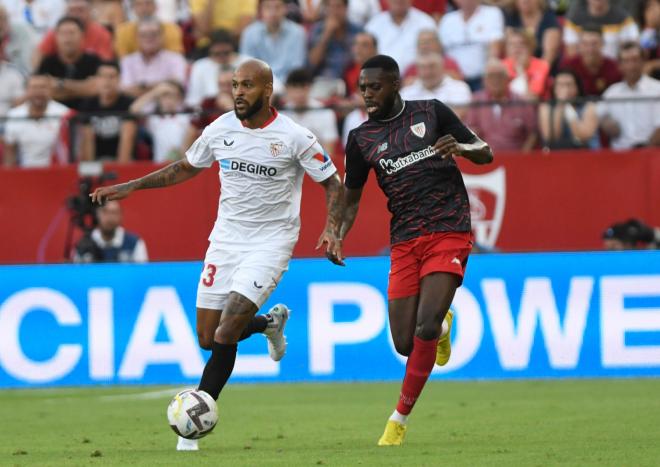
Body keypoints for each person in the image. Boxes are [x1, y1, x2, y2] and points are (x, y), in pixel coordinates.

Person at [90, 59, 344, 451]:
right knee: (209, 338)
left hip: (270, 241)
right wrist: (134, 186)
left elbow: (333, 183)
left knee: (227, 330)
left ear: (268, 89)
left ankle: (192, 423)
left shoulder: (294, 137)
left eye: (247, 85)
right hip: (225, 240)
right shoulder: (220, 128)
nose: (239, 92)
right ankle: (267, 326)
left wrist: (332, 229)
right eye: (235, 85)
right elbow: (185, 167)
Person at [341, 54, 493, 446]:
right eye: (362, 89)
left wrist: (459, 146)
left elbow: (485, 152)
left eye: (374, 87)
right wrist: (335, 231)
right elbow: (351, 196)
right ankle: (444, 325)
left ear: (395, 84)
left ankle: (398, 421)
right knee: (405, 342)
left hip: (449, 228)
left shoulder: (432, 111)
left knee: (422, 327)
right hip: (405, 239)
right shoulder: (361, 139)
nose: (367, 95)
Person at [466, 59, 538, 152]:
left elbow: (533, 133)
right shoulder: (476, 101)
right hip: (485, 159)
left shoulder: (521, 101)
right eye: (491, 76)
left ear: (507, 78)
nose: (496, 80)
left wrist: (523, 156)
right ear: (484, 80)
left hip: (516, 158)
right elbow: (471, 130)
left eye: (499, 76)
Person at [599, 41, 660, 149]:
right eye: (626, 61)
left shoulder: (657, 89)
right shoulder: (612, 93)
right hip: (620, 156)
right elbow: (599, 115)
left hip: (652, 154)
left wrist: (646, 152)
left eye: (635, 60)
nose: (631, 65)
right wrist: (605, 122)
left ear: (643, 62)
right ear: (619, 66)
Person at [3, 74, 70, 167]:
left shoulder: (64, 114)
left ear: (51, 90)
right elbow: (10, 153)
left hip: (57, 171)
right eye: (34, 87)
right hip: (24, 173)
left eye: (43, 87)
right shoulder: (14, 115)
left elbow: (72, 151)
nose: (38, 92)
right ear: (26, 90)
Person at [36, 16, 101, 110]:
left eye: (72, 33)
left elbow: (95, 89)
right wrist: (83, 88)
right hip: (56, 117)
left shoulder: (94, 61)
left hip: (88, 114)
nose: (68, 38)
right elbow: (45, 92)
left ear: (82, 36)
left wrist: (60, 84)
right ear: (56, 37)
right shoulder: (48, 63)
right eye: (63, 33)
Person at [438, 0, 505, 90]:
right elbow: (440, 51)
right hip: (454, 80)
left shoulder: (492, 13)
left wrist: (488, 72)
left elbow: (495, 46)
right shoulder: (447, 19)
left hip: (482, 78)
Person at [79, 61, 137, 163]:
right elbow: (87, 139)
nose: (107, 81)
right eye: (103, 76)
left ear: (119, 79)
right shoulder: (87, 104)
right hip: (96, 161)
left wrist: (121, 170)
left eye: (112, 76)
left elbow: (127, 138)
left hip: (122, 162)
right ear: (96, 79)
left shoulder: (127, 103)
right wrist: (90, 169)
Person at [239, 0, 306, 83]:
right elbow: (247, 67)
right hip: (259, 86)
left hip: (289, 86)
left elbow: (296, 67)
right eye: (268, 7)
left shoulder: (297, 33)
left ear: (286, 9)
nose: (273, 12)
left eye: (277, 7)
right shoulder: (249, 33)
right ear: (260, 10)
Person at [120, 18, 188, 97]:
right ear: (137, 37)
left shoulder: (176, 59)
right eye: (144, 35)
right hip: (133, 107)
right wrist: (163, 86)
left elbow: (177, 88)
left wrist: (141, 86)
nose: (149, 38)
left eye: (153, 34)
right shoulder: (127, 61)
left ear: (162, 36)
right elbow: (126, 91)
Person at [34, 0, 114, 67]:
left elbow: (106, 64)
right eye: (72, 10)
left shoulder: (101, 33)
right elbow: (38, 57)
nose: (76, 15)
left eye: (80, 10)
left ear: (90, 11)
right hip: (60, 75)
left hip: (91, 77)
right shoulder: (56, 32)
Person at [364, 0, 435, 73]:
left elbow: (434, 56)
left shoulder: (426, 23)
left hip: (417, 78)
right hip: (381, 78)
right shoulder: (373, 25)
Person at [282, 68, 340, 154]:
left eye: (303, 86)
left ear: (310, 87)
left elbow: (329, 150)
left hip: (317, 163)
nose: (299, 92)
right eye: (294, 87)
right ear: (287, 89)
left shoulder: (325, 113)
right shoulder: (281, 115)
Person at [538, 69, 600, 150]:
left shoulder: (589, 106)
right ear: (554, 88)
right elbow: (551, 138)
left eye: (569, 85)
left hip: (585, 154)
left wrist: (568, 109)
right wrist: (561, 105)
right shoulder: (545, 107)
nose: (565, 89)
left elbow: (582, 136)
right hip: (557, 156)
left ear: (577, 87)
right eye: (560, 85)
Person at [130, 80, 189, 162]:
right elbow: (133, 111)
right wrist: (155, 92)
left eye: (173, 96)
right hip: (159, 166)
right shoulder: (154, 120)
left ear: (179, 98)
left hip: (181, 164)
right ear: (159, 99)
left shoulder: (186, 118)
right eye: (165, 95)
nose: (169, 100)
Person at [400, 52, 472, 120]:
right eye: (423, 67)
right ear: (417, 70)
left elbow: (457, 116)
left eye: (432, 66)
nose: (427, 72)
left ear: (442, 67)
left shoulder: (460, 88)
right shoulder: (406, 92)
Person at [185, 28, 246, 107]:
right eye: (217, 53)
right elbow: (194, 99)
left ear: (233, 49)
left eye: (226, 53)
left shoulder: (247, 63)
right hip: (209, 111)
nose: (222, 56)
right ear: (210, 50)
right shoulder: (199, 66)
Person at [73, 200, 149, 262]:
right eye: (105, 212)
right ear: (97, 214)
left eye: (114, 212)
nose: (110, 217)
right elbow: (76, 274)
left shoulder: (134, 243)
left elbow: (142, 274)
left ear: (121, 216)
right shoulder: (83, 245)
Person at [563, 0, 639, 59]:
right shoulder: (574, 20)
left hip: (615, 71)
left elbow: (632, 49)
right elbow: (572, 54)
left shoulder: (624, 20)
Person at [559, 25, 622, 96]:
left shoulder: (613, 68)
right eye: (585, 44)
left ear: (602, 44)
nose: (590, 49)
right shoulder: (568, 66)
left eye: (594, 44)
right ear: (579, 45)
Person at [308, 0, 363, 79]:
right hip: (325, 79)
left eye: (338, 6)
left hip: (352, 80)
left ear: (346, 8)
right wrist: (326, 34)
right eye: (330, 7)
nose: (334, 11)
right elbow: (311, 64)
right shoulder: (317, 29)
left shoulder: (357, 31)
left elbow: (363, 60)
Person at [114, 0, 184, 58]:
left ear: (156, 6)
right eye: (139, 5)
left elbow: (176, 57)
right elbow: (123, 59)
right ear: (133, 8)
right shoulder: (122, 31)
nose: (144, 8)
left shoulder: (172, 29)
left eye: (148, 3)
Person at [504, 0, 561, 66]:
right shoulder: (511, 15)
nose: (525, 1)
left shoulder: (549, 17)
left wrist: (537, 72)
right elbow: (510, 49)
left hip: (544, 70)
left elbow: (549, 53)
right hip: (515, 68)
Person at [502, 27, 550, 100]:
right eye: (512, 44)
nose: (516, 48)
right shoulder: (502, 66)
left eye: (521, 44)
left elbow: (532, 99)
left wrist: (520, 71)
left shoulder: (541, 65)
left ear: (531, 47)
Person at [0, 4, 39, 75]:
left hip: (20, 75)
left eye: (3, 19)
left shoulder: (22, 30)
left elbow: (28, 65)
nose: (1, 23)